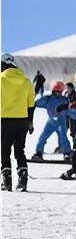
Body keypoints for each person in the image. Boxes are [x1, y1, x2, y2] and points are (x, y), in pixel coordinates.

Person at [1, 53, 36, 192]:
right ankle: (23, 180)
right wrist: (30, 123)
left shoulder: (1, 79)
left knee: (4, 151)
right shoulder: (26, 81)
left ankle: (6, 181)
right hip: (22, 121)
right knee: (19, 151)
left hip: (4, 120)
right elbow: (31, 104)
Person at [33, 81, 72, 159]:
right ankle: (38, 153)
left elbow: (70, 110)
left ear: (61, 91)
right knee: (43, 137)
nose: (57, 93)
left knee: (63, 138)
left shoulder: (64, 100)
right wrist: (40, 92)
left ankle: (67, 153)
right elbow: (37, 103)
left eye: (59, 91)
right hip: (51, 122)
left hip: (61, 122)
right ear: (53, 91)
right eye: (56, 91)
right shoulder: (48, 98)